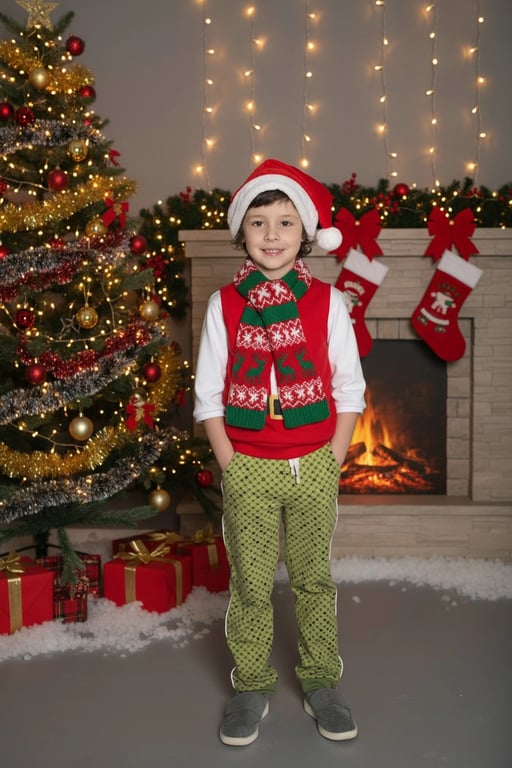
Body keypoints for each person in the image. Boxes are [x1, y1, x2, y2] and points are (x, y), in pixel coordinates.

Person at [193, 158, 366, 747]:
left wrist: (332, 455)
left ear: (305, 234)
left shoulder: (327, 303)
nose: (272, 235)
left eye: (286, 222)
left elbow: (349, 387)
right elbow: (208, 394)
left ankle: (321, 679)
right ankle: (251, 684)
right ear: (242, 232)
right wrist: (230, 462)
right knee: (251, 581)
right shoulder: (226, 305)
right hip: (249, 467)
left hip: (313, 461)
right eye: (260, 222)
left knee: (314, 577)